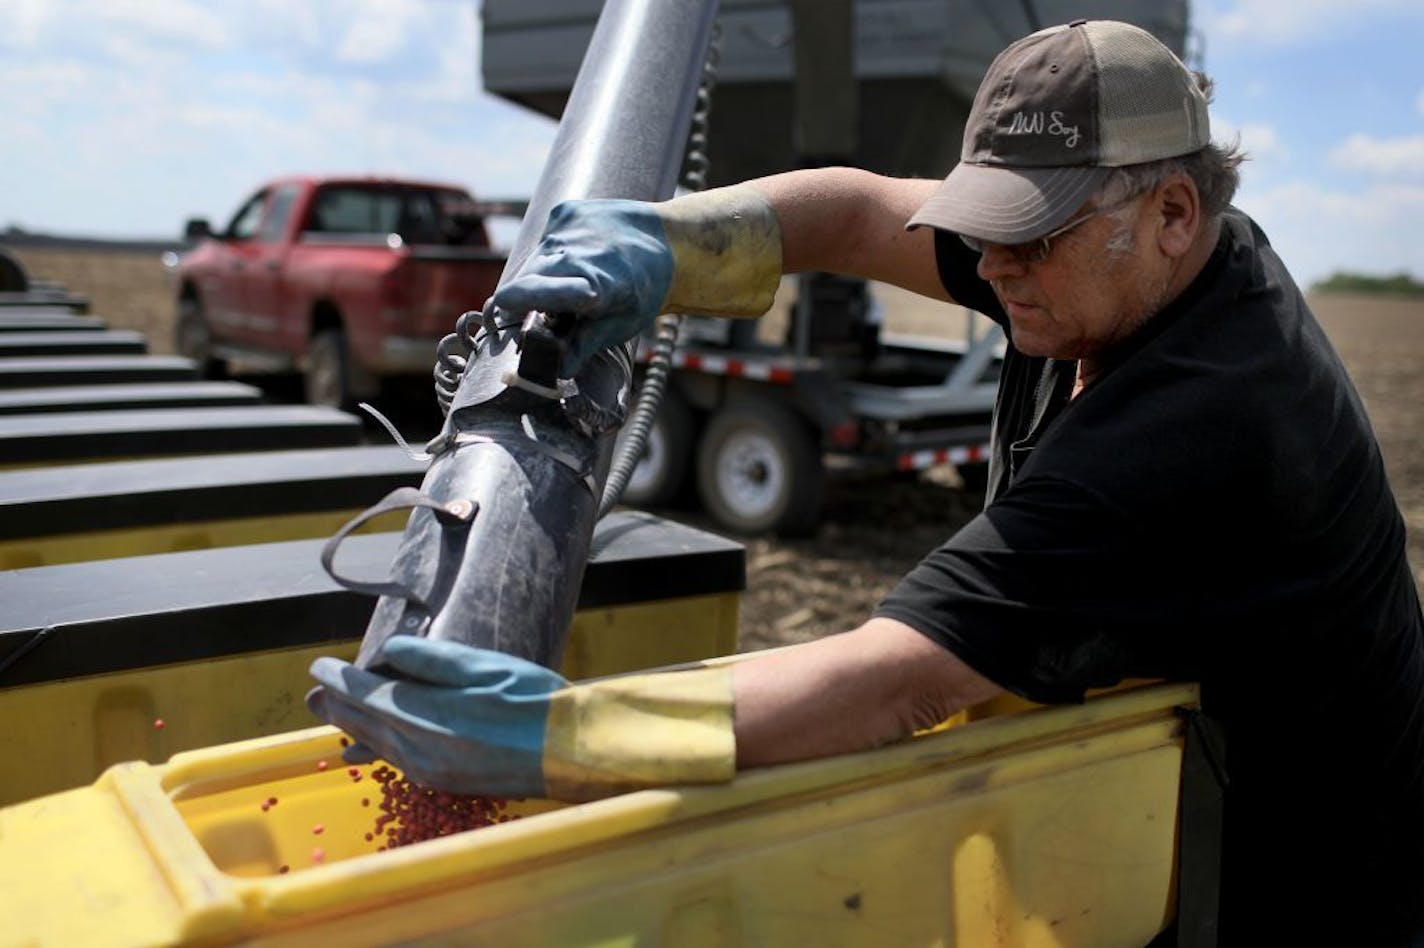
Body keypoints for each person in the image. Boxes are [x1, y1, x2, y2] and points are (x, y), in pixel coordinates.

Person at [308, 20, 1424, 945]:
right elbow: (853, 211)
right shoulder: (1141, 260)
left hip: (1307, 875)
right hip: (1170, 784)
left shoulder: (1201, 424)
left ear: (1173, 213)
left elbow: (898, 685)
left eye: (1026, 240)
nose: (989, 271)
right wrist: (673, 242)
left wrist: (564, 739)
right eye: (985, 227)